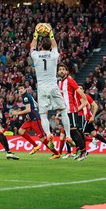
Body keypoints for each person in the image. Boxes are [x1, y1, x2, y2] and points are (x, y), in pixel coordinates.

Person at [30, 23, 71, 159]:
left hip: (42, 87)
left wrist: (36, 33)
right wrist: (51, 32)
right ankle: (69, 136)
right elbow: (55, 46)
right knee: (63, 110)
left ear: (41, 46)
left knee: (43, 114)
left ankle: (48, 134)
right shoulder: (54, 55)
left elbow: (32, 46)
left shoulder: (35, 55)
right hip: (53, 85)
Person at [11, 84, 60, 157]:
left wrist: (17, 113)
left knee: (42, 138)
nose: (20, 90)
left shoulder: (25, 97)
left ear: (25, 89)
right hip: (31, 118)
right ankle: (35, 146)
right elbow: (36, 105)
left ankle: (56, 153)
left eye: (21, 88)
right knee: (20, 131)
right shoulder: (28, 95)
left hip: (35, 119)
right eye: (19, 89)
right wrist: (31, 113)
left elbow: (28, 109)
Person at [57, 63, 88, 161]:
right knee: (69, 132)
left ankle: (83, 151)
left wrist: (85, 99)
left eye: (63, 69)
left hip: (71, 110)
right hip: (64, 111)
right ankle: (79, 150)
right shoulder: (59, 82)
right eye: (60, 69)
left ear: (66, 71)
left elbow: (78, 90)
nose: (61, 71)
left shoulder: (69, 80)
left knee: (74, 131)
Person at [77, 84, 106, 153]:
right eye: (79, 88)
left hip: (86, 118)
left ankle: (83, 151)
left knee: (79, 134)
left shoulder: (86, 96)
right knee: (94, 134)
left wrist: (93, 116)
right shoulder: (76, 97)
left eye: (81, 88)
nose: (80, 90)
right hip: (82, 118)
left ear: (83, 90)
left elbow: (95, 106)